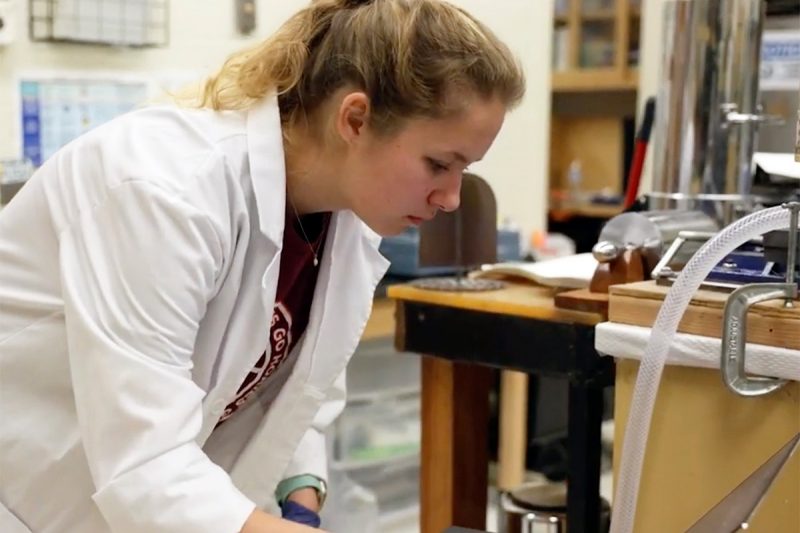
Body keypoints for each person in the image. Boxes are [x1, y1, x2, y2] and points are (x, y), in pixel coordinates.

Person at [0, 0, 524, 531]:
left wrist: (302, 495)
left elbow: (293, 386)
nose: (453, 198)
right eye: (439, 164)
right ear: (355, 119)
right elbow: (147, 465)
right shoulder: (163, 191)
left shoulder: (344, 219)